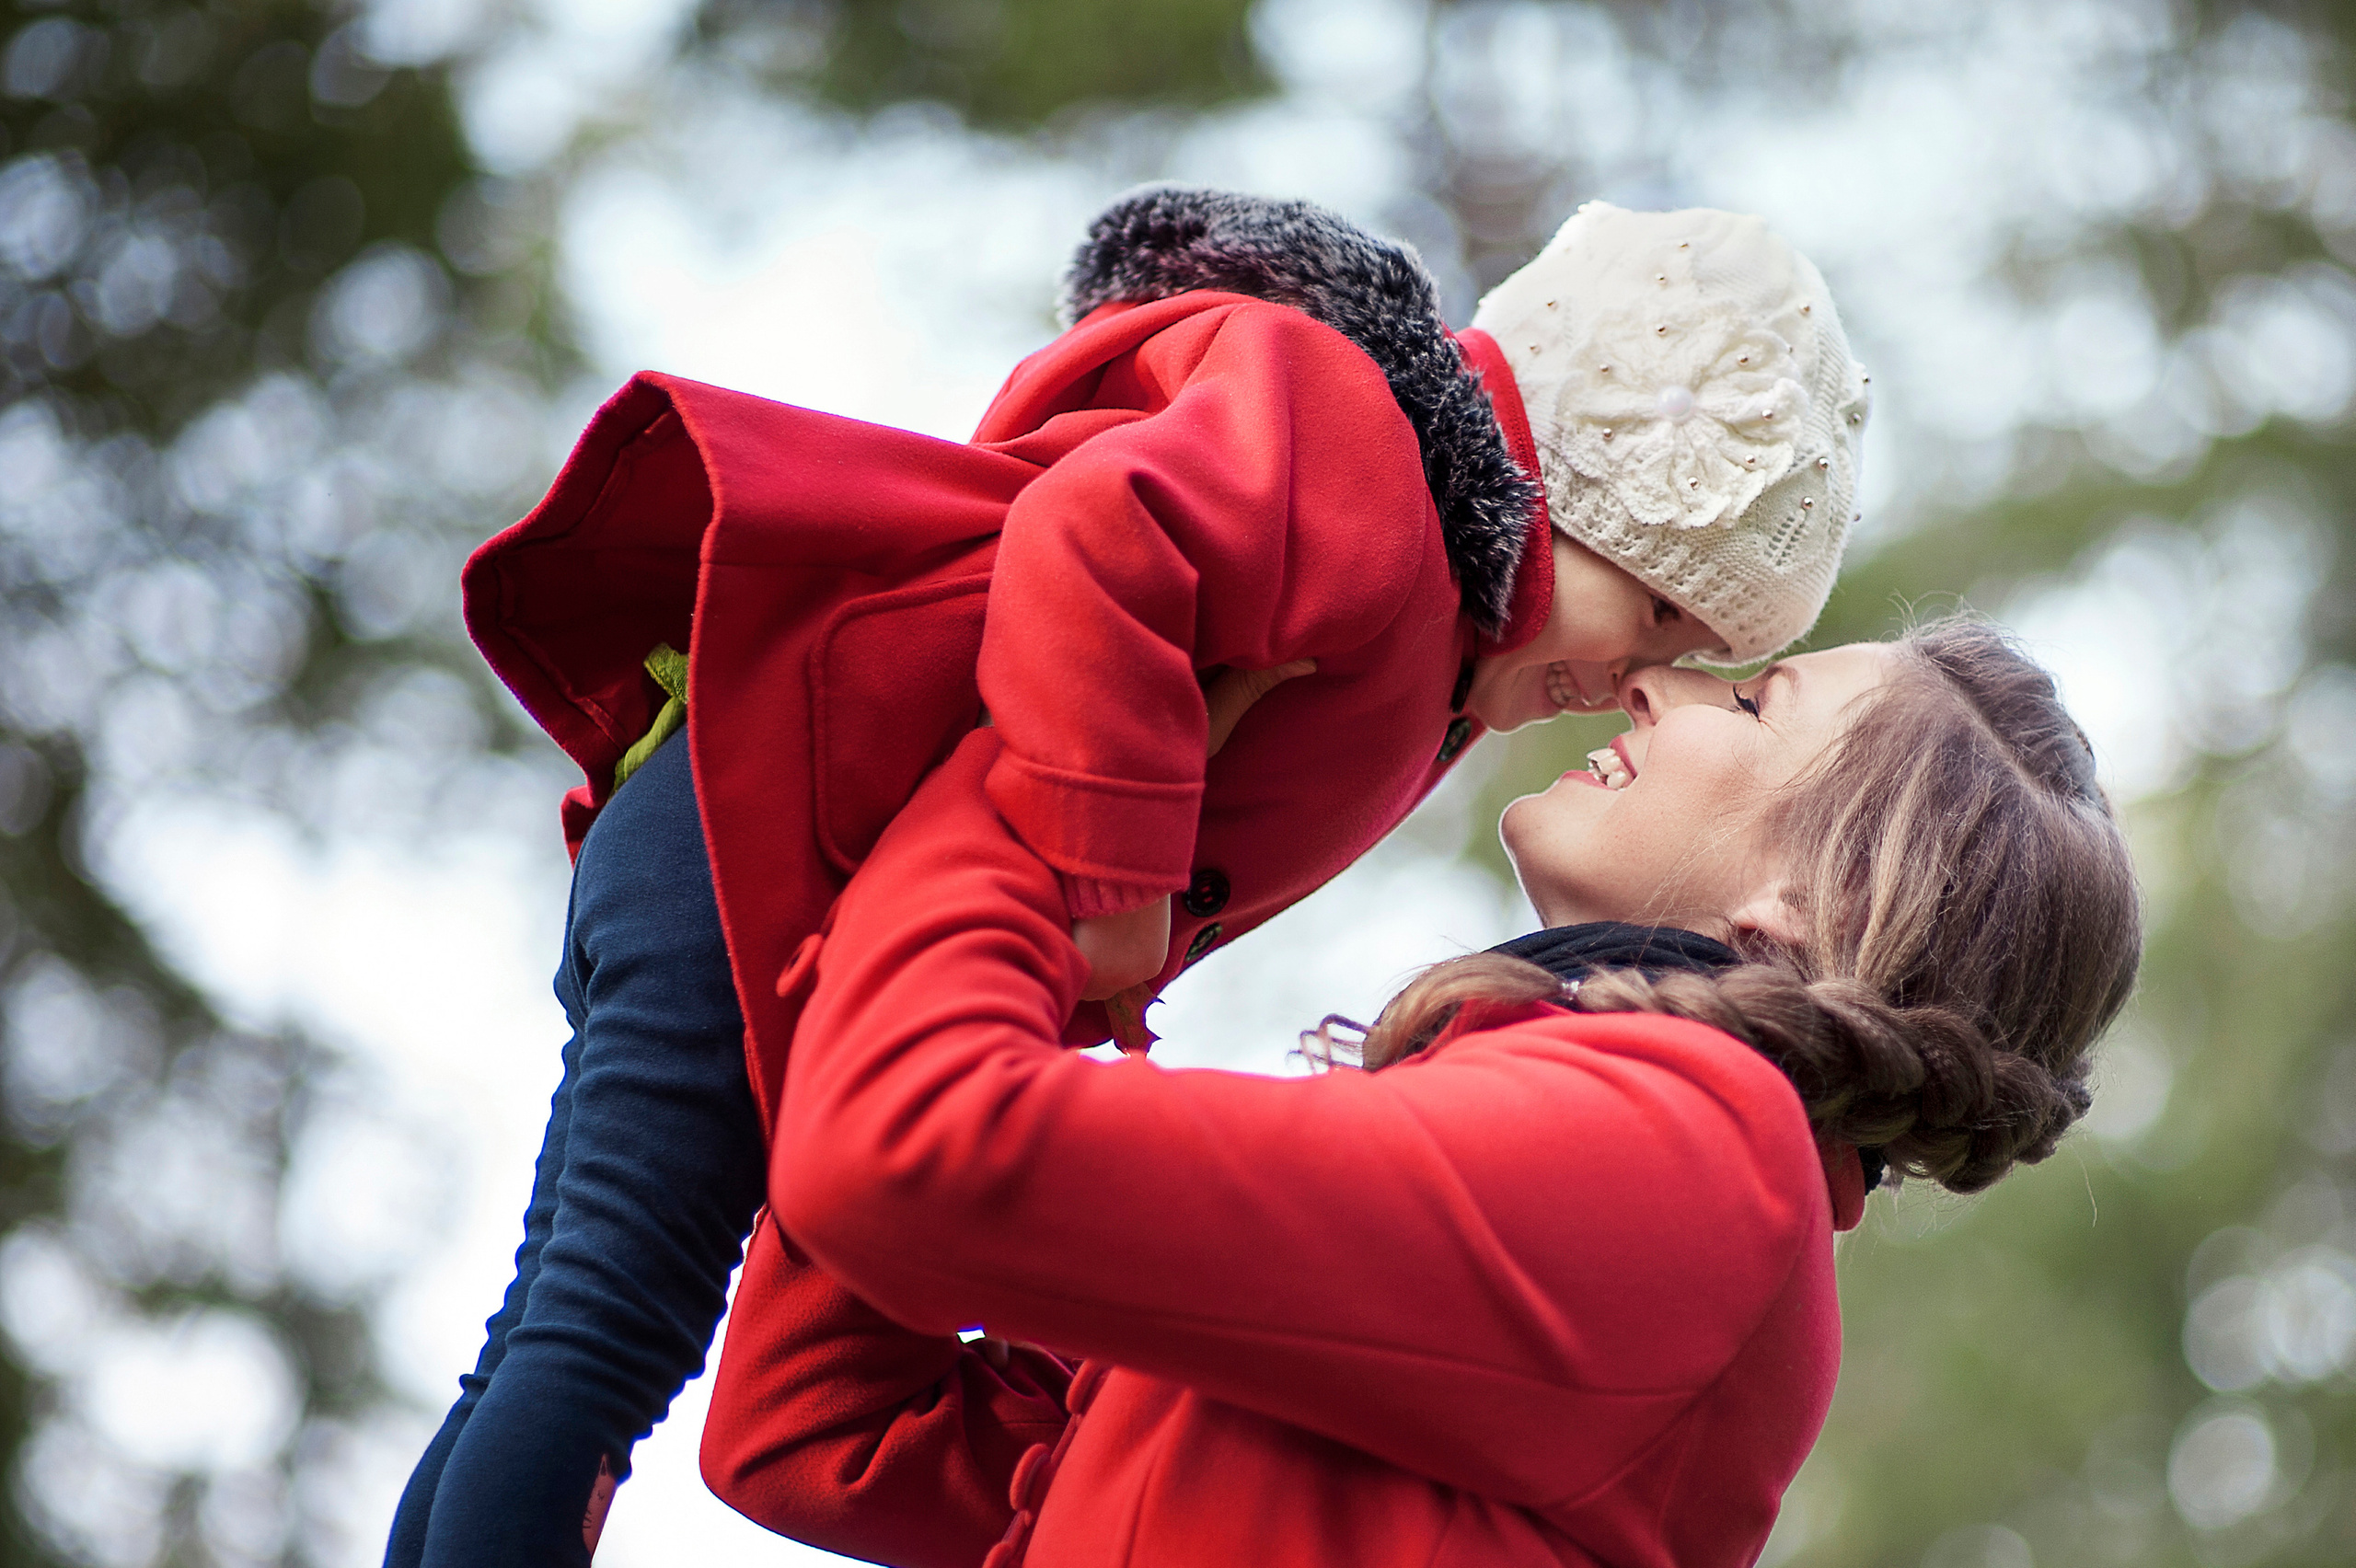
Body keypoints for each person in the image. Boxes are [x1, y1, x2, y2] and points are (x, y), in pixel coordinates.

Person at [387, 189, 1869, 1566]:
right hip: (758, 818)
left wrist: (1093, 1006)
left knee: (569, 1330)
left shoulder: (1425, 656)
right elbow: (1104, 537)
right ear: (1573, 482)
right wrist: (1111, 875)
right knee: (597, 1333)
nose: (1634, 683)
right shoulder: (1357, 459)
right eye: (1660, 612)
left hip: (795, 856)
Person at [699, 617, 2141, 1568]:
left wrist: (1077, 788)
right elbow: (817, 1432)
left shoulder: (1703, 1160)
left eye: (1757, 700)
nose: (1658, 679)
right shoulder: (1617, 1163)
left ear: (1812, 894)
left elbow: (903, 1154)